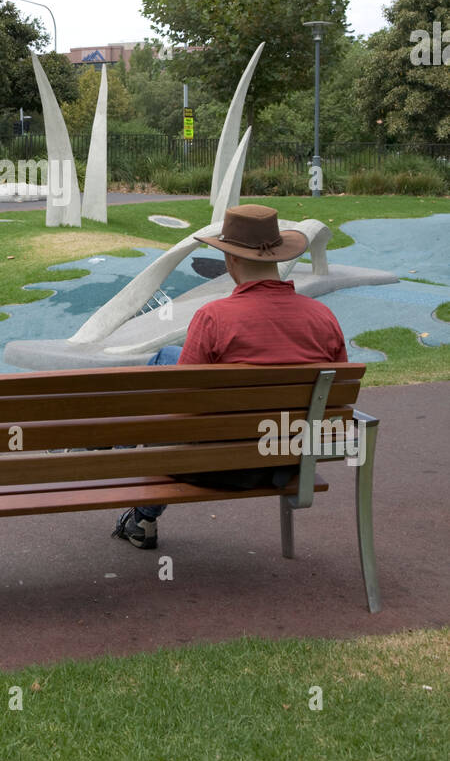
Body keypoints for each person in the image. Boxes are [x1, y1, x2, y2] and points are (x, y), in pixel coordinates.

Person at [112, 203, 348, 550]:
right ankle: (128, 469)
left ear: (231, 261)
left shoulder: (214, 318)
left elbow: (183, 409)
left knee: (164, 401)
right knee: (166, 359)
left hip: (220, 464)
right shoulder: (323, 317)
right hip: (290, 458)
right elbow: (338, 398)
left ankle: (132, 484)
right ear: (277, 259)